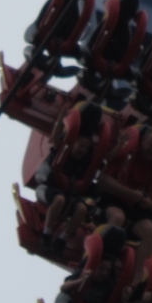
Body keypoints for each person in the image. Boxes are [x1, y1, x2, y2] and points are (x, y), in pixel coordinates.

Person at [98, 127, 152, 283]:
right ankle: (102, 261)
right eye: (151, 145)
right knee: (118, 217)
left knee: (151, 231)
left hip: (140, 209)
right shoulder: (126, 155)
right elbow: (104, 179)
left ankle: (137, 281)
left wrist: (150, 204)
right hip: (115, 201)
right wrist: (129, 193)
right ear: (143, 142)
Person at [37, 103, 103, 251]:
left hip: (71, 193)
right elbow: (55, 138)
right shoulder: (62, 150)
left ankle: (62, 239)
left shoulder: (86, 160)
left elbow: (104, 158)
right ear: (72, 144)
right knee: (59, 199)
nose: (82, 150)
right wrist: (61, 119)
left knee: (81, 208)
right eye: (80, 146)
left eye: (86, 148)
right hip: (50, 189)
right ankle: (46, 234)